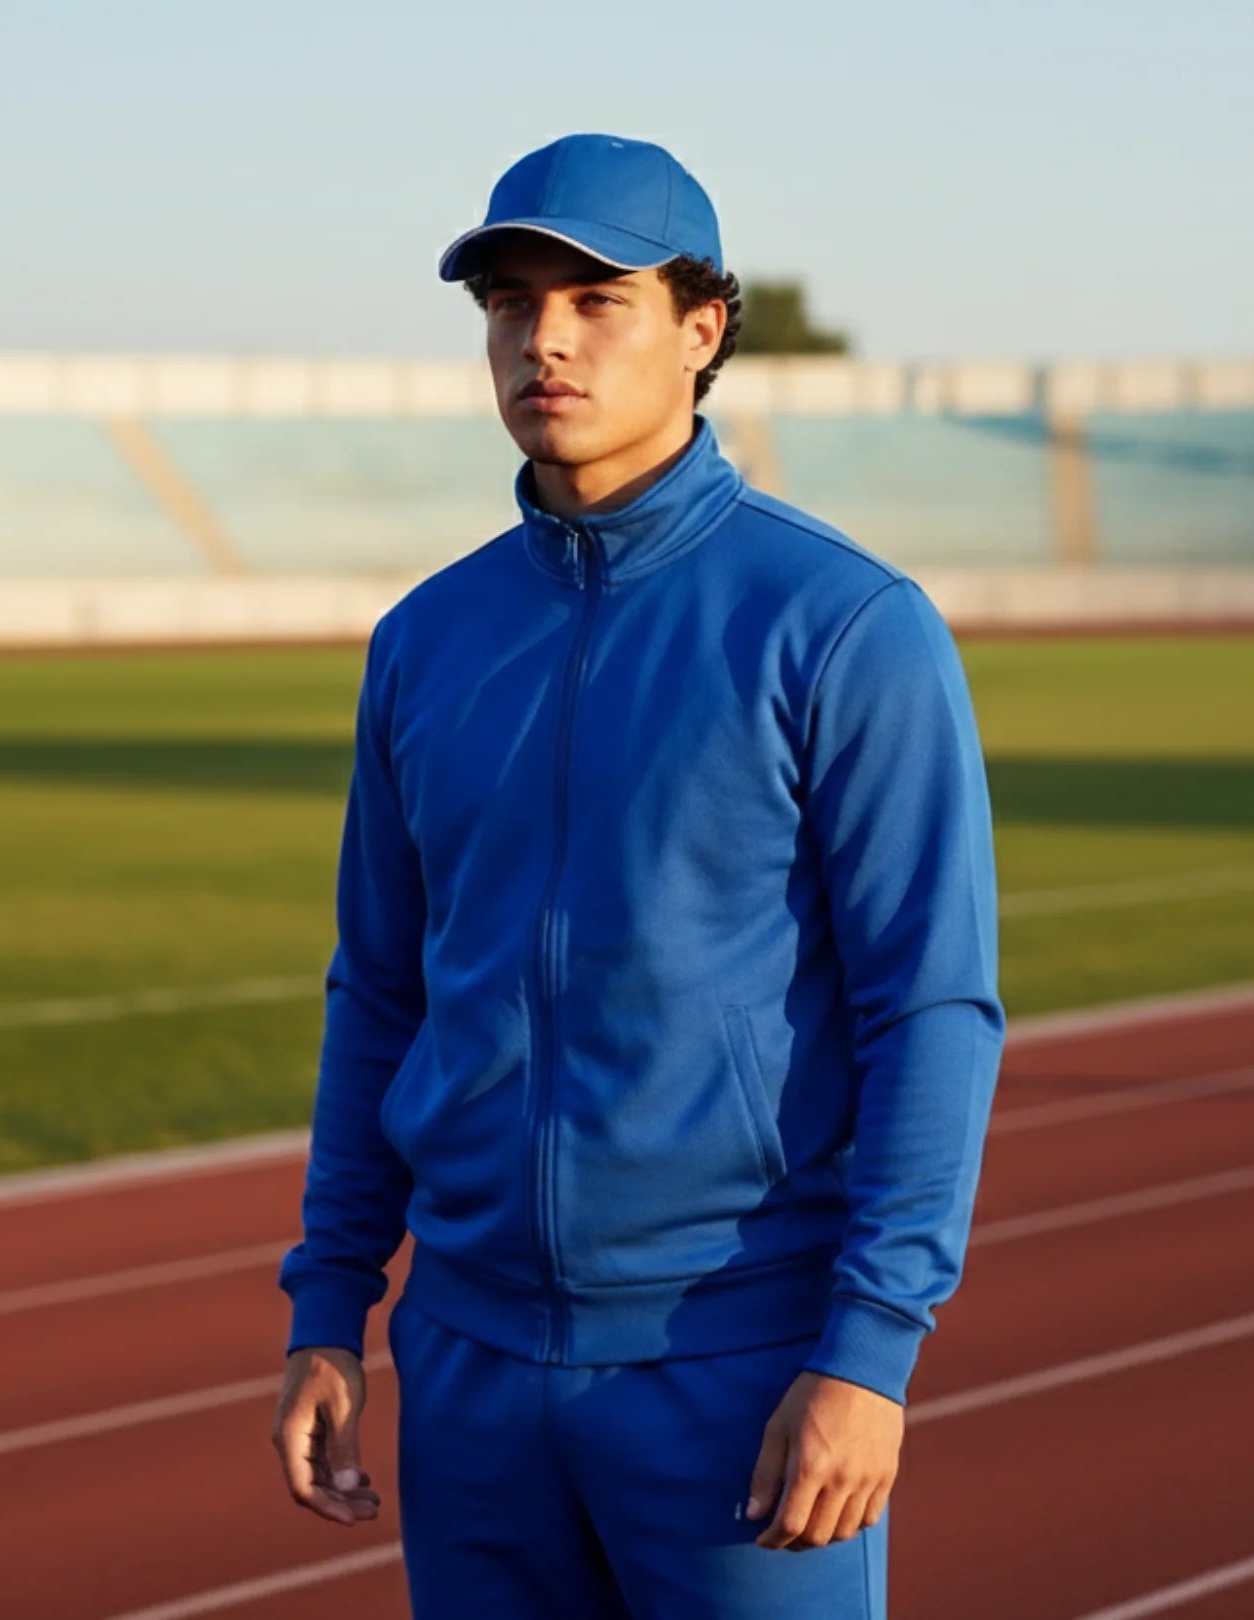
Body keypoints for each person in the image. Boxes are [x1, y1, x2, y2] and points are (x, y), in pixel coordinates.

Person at [271, 131, 1005, 1619]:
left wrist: (868, 1351)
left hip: (731, 1368)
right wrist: (332, 1300)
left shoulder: (846, 628)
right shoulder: (426, 640)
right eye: (507, 300)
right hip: (471, 1379)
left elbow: (931, 1009)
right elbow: (383, 991)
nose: (543, 336)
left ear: (702, 328)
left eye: (596, 297)